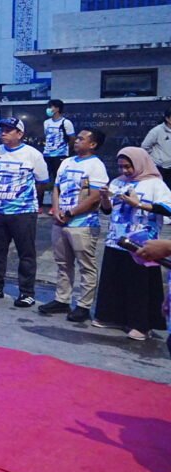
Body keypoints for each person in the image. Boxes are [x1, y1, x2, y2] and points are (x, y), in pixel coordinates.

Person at [94, 147, 171, 340]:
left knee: (139, 284)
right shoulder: (117, 182)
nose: (124, 171)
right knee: (114, 280)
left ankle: (141, 324)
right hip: (116, 239)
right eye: (121, 167)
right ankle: (112, 316)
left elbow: (167, 208)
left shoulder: (155, 184)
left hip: (142, 243)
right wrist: (104, 198)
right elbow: (107, 210)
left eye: (128, 166)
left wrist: (139, 205)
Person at [38, 129, 109, 322]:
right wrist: (56, 210)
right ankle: (62, 299)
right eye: (76, 138)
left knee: (86, 265)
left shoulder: (96, 165)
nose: (76, 141)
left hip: (83, 223)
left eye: (81, 139)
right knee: (63, 263)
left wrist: (71, 213)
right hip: (60, 221)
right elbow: (57, 188)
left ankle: (84, 305)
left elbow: (95, 196)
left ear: (93, 144)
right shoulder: (67, 162)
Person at [0, 118, 50, 306]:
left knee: (26, 253)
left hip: (23, 212)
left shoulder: (33, 155)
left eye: (9, 130)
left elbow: (42, 182)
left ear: (20, 134)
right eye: (2, 129)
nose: (3, 133)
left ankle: (26, 292)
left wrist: (27, 201)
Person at [39, 99, 75, 211]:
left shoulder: (66, 122)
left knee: (57, 180)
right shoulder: (46, 123)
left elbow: (72, 138)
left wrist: (65, 150)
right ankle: (39, 205)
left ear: (57, 109)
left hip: (60, 155)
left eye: (51, 107)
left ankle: (55, 206)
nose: (49, 109)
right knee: (42, 179)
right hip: (47, 154)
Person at [141, 107, 171, 189]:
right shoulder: (156, 131)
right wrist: (156, 159)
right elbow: (145, 146)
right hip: (161, 168)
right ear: (167, 119)